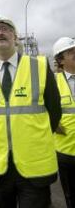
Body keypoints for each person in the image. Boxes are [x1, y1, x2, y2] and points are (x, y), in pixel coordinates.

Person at [0, 14, 62, 208]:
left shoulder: (38, 66)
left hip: (34, 166)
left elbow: (54, 111)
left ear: (15, 37)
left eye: (5, 28)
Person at [52, 37, 75, 208]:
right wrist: (55, 125)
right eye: (71, 51)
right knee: (71, 194)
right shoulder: (52, 82)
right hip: (65, 150)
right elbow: (44, 111)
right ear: (60, 59)